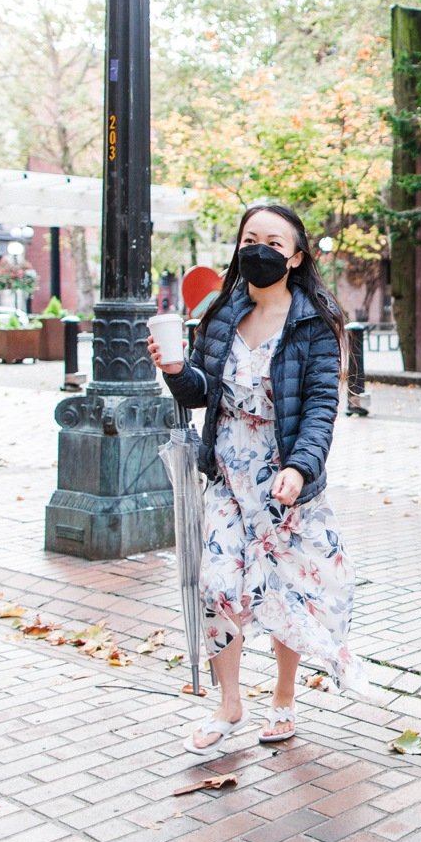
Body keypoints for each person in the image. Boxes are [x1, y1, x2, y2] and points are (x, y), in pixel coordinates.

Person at [149, 203, 367, 755]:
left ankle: (284, 699)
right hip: (226, 474)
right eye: (251, 238)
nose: (259, 250)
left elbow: (321, 405)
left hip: (283, 482)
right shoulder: (222, 313)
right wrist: (176, 372)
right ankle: (229, 705)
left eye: (274, 242)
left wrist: (300, 468)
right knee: (215, 586)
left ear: (295, 256)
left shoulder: (316, 323)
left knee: (283, 593)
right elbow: (205, 392)